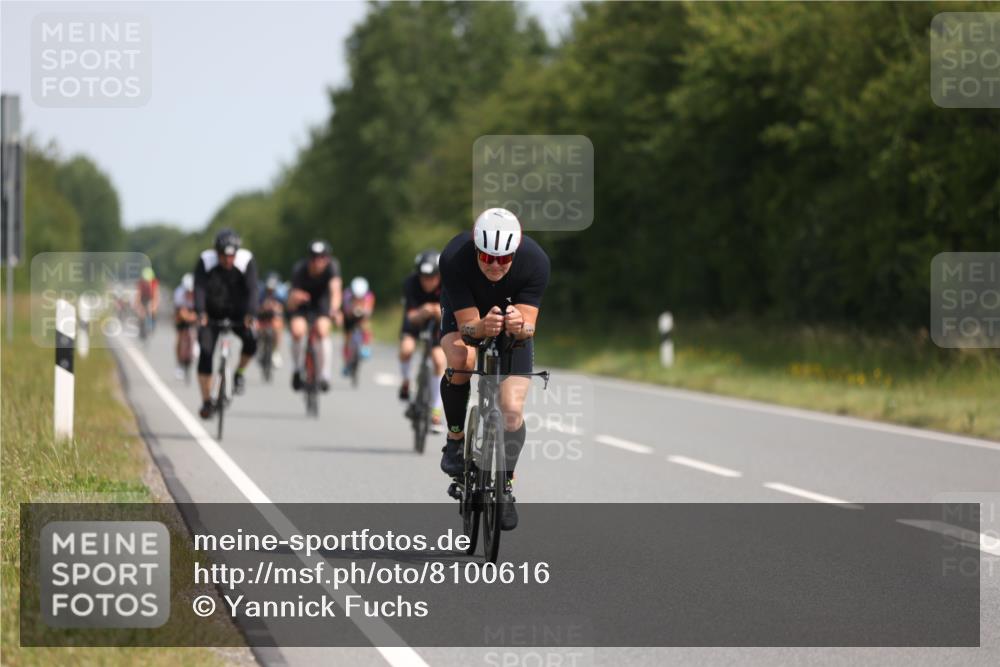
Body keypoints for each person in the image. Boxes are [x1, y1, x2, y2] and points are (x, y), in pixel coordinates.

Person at [438, 208, 550, 530]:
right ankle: (455, 438)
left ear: (515, 252)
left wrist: (519, 326)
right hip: (469, 313)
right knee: (462, 360)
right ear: (476, 249)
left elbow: (529, 328)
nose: (495, 265)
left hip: (510, 320)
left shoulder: (536, 262)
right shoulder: (455, 258)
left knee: (512, 411)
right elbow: (468, 330)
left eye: (503, 259)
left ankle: (506, 486)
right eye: (487, 257)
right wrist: (483, 326)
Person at [193, 229, 259, 419]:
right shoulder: (206, 261)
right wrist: (201, 313)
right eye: (223, 256)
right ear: (217, 253)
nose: (228, 260)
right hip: (211, 314)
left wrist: (251, 314)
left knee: (252, 342)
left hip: (239, 313)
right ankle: (207, 401)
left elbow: (253, 289)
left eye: (231, 256)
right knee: (205, 352)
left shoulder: (246, 261)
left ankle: (239, 372)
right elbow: (199, 288)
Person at [398, 250, 445, 431]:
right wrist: (423, 311)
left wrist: (436, 311)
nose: (427, 281)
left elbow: (453, 315)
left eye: (432, 276)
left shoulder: (448, 285)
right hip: (415, 321)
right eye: (423, 277)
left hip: (438, 324)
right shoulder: (410, 283)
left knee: (439, 360)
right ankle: (406, 382)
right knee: (406, 349)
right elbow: (410, 317)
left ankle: (435, 411)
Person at [287, 240, 342, 392]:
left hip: (322, 303)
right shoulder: (300, 269)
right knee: (298, 331)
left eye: (322, 257)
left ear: (327, 258)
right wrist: (295, 297)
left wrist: (335, 310)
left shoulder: (332, 267)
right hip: (303, 304)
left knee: (323, 330)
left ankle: (324, 374)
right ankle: (297, 369)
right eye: (314, 258)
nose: (318, 261)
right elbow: (290, 302)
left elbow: (335, 291)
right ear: (309, 258)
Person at [341, 276, 375, 371]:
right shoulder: (347, 295)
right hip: (349, 317)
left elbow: (369, 310)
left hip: (362, 316)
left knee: (366, 326)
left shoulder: (369, 296)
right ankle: (346, 362)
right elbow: (346, 311)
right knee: (347, 338)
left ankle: (366, 347)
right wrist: (352, 311)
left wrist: (364, 311)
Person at [256, 272, 286, 368]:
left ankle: (275, 351)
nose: (270, 291)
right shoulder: (260, 293)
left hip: (273, 317)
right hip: (261, 317)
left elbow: (282, 308)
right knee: (256, 328)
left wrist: (276, 308)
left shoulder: (280, 294)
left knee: (278, 327)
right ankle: (259, 349)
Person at [173, 273, 198, 378]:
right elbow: (181, 313)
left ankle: (196, 346)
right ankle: (179, 363)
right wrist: (188, 317)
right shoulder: (179, 293)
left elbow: (201, 312)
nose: (190, 294)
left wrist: (195, 317)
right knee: (179, 335)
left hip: (194, 311)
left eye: (192, 292)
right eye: (188, 292)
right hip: (182, 312)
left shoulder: (199, 293)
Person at [136, 266, 160, 334]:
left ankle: (153, 323)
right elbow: (138, 295)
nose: (146, 282)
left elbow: (156, 295)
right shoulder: (140, 283)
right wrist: (138, 305)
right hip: (143, 298)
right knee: (141, 313)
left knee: (153, 310)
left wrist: (154, 305)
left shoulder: (154, 283)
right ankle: (141, 326)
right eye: (145, 280)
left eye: (148, 280)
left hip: (151, 298)